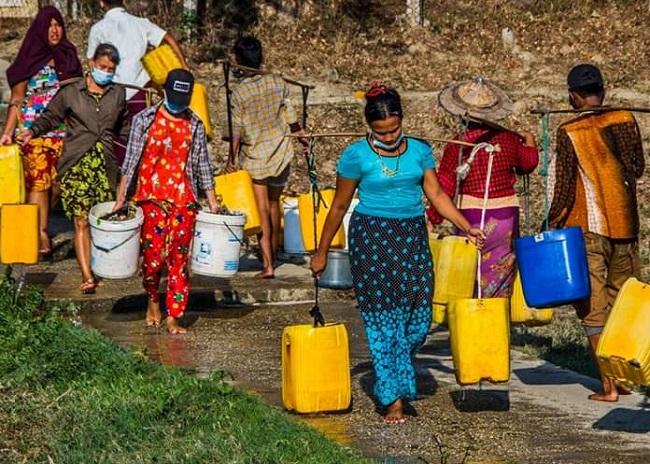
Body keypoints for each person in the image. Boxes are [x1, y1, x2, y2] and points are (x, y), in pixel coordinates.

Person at [310, 82, 485, 424]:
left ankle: (393, 368)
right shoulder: (355, 156)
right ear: (369, 128)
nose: (389, 137)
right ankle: (393, 399)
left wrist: (466, 226)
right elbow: (338, 206)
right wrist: (321, 251)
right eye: (381, 132)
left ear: (402, 120)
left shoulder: (419, 151)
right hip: (372, 239)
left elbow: (436, 194)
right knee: (385, 322)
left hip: (411, 237)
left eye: (394, 130)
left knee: (420, 319)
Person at [547, 64, 644, 402]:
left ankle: (608, 385)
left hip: (588, 227)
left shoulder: (569, 130)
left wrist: (551, 224)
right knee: (623, 301)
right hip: (626, 225)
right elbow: (637, 168)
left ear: (573, 95)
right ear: (602, 90)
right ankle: (624, 377)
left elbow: (563, 187)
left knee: (594, 306)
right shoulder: (625, 119)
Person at [17, 43, 129, 294]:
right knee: (80, 221)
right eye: (102, 67)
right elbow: (50, 116)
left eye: (111, 69)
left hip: (105, 165)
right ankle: (87, 275)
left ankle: (100, 266)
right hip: (77, 162)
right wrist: (31, 131)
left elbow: (125, 128)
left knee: (99, 219)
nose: (106, 72)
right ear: (91, 63)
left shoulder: (118, 93)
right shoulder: (71, 92)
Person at [114, 69, 219, 335]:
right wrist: (121, 198)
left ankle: (174, 314)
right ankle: (152, 299)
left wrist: (213, 202)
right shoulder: (144, 120)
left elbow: (203, 166)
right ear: (164, 92)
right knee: (152, 260)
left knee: (178, 261)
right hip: (151, 199)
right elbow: (130, 163)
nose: (178, 104)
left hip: (184, 200)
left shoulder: (194, 124)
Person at [428, 76, 539, 297]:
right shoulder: (508, 140)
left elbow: (445, 184)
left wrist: (433, 218)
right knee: (500, 274)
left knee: (467, 274)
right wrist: (530, 142)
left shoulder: (457, 145)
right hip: (504, 218)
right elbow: (528, 163)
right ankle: (494, 321)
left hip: (469, 217)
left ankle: (469, 322)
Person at [1, 5, 83, 256]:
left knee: (57, 183)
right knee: (38, 183)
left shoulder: (68, 55)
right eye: (49, 26)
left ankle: (41, 222)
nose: (55, 30)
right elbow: (17, 99)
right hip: (32, 132)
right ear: (40, 29)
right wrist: (7, 132)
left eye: (58, 24)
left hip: (63, 131)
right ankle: (40, 231)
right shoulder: (29, 57)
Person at [226, 36, 306, 279]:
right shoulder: (277, 82)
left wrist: (231, 159)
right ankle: (272, 253)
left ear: (240, 62)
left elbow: (236, 131)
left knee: (261, 209)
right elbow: (290, 114)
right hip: (281, 151)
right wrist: (300, 135)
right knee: (274, 205)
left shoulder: (239, 93)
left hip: (256, 156)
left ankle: (268, 265)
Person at [87, 0, 190, 164]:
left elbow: (91, 62)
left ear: (101, 3)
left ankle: (120, 181)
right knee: (141, 140)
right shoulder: (141, 23)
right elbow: (167, 37)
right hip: (140, 93)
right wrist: (184, 65)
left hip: (111, 93)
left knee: (114, 141)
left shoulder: (98, 28)